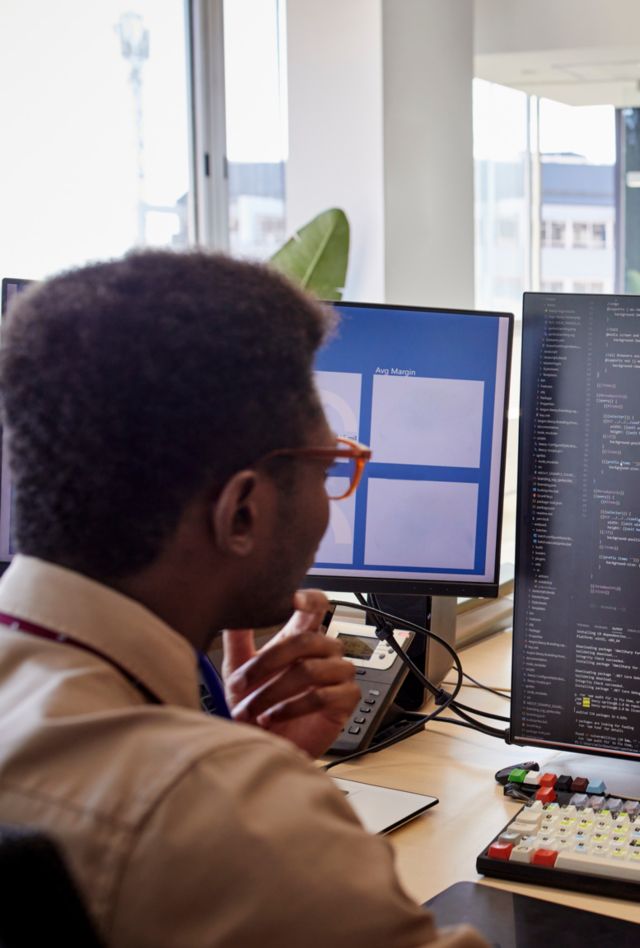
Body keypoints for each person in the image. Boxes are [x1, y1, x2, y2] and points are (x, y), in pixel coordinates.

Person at [0, 251, 486, 947]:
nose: (331, 497)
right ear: (243, 513)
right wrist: (261, 795)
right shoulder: (218, 811)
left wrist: (253, 763)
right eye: (331, 468)